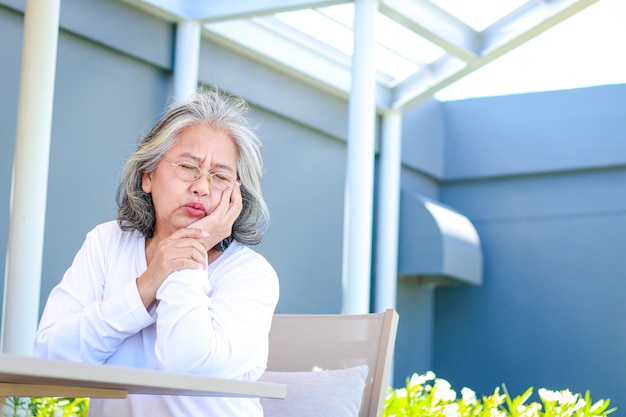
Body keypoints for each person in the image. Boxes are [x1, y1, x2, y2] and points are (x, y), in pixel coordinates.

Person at [34, 87, 279, 417]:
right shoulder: (106, 244)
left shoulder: (251, 274)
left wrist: (186, 255)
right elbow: (49, 357)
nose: (202, 187)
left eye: (220, 176)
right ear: (148, 174)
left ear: (236, 196)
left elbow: (188, 368)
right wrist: (147, 284)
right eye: (188, 167)